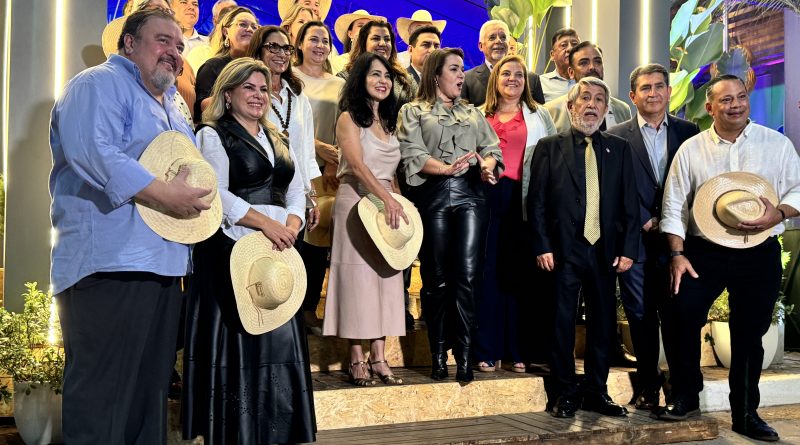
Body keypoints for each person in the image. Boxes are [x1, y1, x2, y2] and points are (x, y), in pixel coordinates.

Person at [50, 9, 210, 444]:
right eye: (163, 41)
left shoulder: (173, 104)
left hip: (164, 264)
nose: (174, 52)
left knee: (147, 398)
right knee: (104, 399)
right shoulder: (97, 83)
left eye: (179, 46)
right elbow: (94, 152)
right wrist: (165, 194)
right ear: (129, 43)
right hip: (110, 263)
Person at [657, 75, 800, 442]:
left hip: (759, 250)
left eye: (741, 97)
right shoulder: (691, 149)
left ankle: (746, 414)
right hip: (703, 250)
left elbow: (798, 189)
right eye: (725, 100)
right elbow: (674, 204)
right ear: (710, 107)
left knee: (750, 334)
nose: (735, 105)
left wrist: (779, 213)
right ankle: (686, 395)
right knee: (682, 314)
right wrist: (677, 254)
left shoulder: (777, 144)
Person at [182, 57, 316, 444]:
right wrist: (265, 224)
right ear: (227, 94)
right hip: (231, 252)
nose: (258, 95)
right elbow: (216, 193)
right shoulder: (212, 134)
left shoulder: (278, 137)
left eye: (262, 88)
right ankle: (237, 432)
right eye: (248, 88)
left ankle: (275, 431)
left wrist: (292, 225)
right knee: (240, 342)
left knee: (278, 342)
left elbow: (296, 188)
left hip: (277, 253)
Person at [528, 77, 638, 418]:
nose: (591, 104)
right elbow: (537, 202)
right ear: (570, 106)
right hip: (562, 250)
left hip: (605, 252)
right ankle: (564, 392)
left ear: (606, 109)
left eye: (599, 99)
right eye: (585, 98)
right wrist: (542, 245)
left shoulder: (619, 149)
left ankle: (596, 391)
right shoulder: (549, 147)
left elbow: (629, 204)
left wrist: (628, 248)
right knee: (561, 322)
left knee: (602, 324)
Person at [398, 48, 503, 383]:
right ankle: (439, 354)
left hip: (471, 195)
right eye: (454, 69)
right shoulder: (412, 111)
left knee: (468, 276)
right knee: (436, 278)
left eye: (461, 69)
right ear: (435, 75)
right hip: (433, 195)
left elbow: (492, 149)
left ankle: (466, 356)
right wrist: (444, 168)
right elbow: (412, 153)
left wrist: (488, 167)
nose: (461, 75)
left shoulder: (472, 113)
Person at [606, 63, 700, 411]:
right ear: (633, 96)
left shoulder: (689, 132)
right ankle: (648, 384)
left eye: (659, 86)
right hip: (636, 240)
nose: (653, 93)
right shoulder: (616, 135)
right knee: (640, 314)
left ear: (669, 91)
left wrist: (677, 221)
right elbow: (614, 187)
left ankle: (680, 388)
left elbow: (696, 180)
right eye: (645, 88)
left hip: (680, 241)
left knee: (677, 314)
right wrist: (645, 219)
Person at [322, 53, 408, 386]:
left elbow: (392, 172)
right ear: (360, 79)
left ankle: (380, 356)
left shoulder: (389, 121)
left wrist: (399, 202)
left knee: (385, 277)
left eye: (386, 76)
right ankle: (356, 357)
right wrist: (386, 197)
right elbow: (357, 166)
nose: (382, 81)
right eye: (375, 74)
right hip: (356, 201)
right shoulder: (348, 118)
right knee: (356, 280)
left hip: (387, 205)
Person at [476, 55, 556, 373]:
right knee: (488, 274)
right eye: (506, 73)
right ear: (495, 79)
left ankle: (518, 349)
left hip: (524, 200)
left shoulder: (539, 115)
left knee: (520, 276)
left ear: (526, 82)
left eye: (519, 74)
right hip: (487, 198)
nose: (513, 79)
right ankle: (487, 349)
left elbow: (552, 159)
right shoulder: (479, 115)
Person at [293, 20, 347, 331]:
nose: (320, 45)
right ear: (300, 43)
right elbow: (285, 124)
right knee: (297, 235)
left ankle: (310, 307)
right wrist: (318, 148)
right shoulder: (291, 78)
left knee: (319, 238)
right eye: (313, 39)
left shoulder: (338, 84)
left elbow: (344, 123)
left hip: (327, 171)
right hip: (295, 165)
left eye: (325, 40)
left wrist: (331, 161)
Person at [247, 26, 320, 231]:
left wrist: (311, 196)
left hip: (296, 200)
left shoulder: (298, 96)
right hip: (260, 196)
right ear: (258, 51)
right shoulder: (247, 95)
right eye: (273, 47)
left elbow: (306, 152)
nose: (282, 54)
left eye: (286, 48)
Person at [544, 41, 631, 132]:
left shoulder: (622, 109)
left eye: (598, 62)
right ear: (571, 72)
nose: (592, 67)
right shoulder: (550, 111)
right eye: (584, 63)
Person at [193, 6, 258, 121]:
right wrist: (234, 97)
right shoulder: (212, 66)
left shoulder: (261, 69)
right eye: (242, 24)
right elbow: (201, 108)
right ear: (225, 31)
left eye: (254, 27)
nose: (249, 29)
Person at [461, 20, 544, 106]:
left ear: (508, 44)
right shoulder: (466, 79)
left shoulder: (532, 79)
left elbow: (539, 113)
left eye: (503, 37)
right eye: (492, 38)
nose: (498, 41)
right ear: (481, 46)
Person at [337, 20, 415, 109]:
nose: (382, 43)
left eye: (387, 39)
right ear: (363, 43)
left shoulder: (406, 79)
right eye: (376, 38)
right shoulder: (345, 78)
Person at [540, 27, 579, 102]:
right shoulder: (540, 83)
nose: (570, 49)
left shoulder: (589, 82)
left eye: (575, 44)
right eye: (564, 45)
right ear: (552, 55)